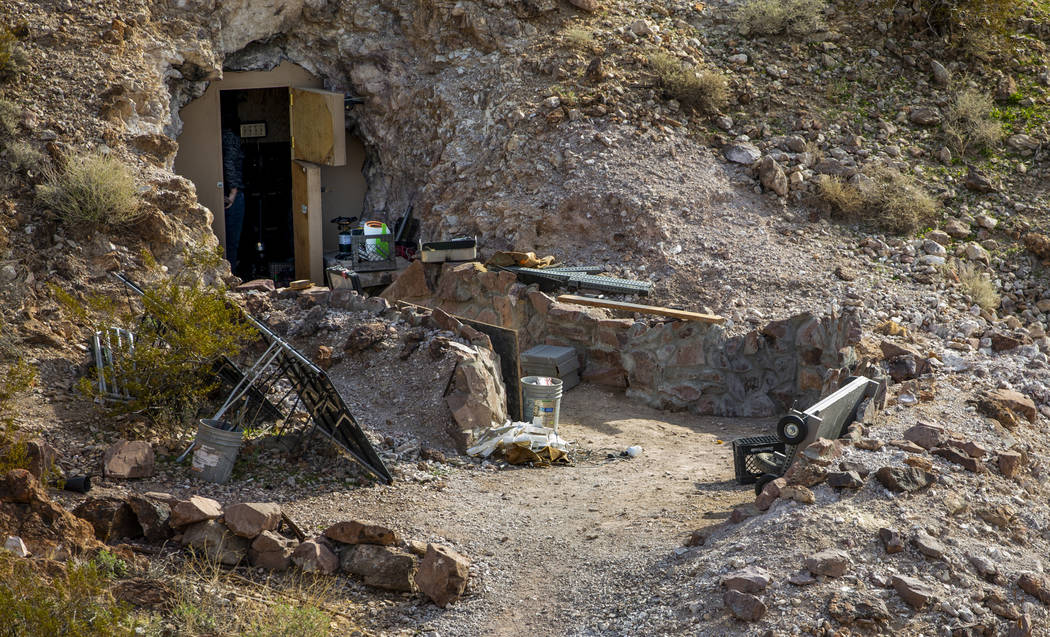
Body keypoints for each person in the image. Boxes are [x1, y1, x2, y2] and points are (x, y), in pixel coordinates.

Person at [221, 116, 245, 272]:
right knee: (232, 241)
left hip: (228, 193)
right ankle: (231, 275)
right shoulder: (230, 138)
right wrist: (233, 193)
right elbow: (229, 164)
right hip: (233, 197)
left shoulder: (221, 137)